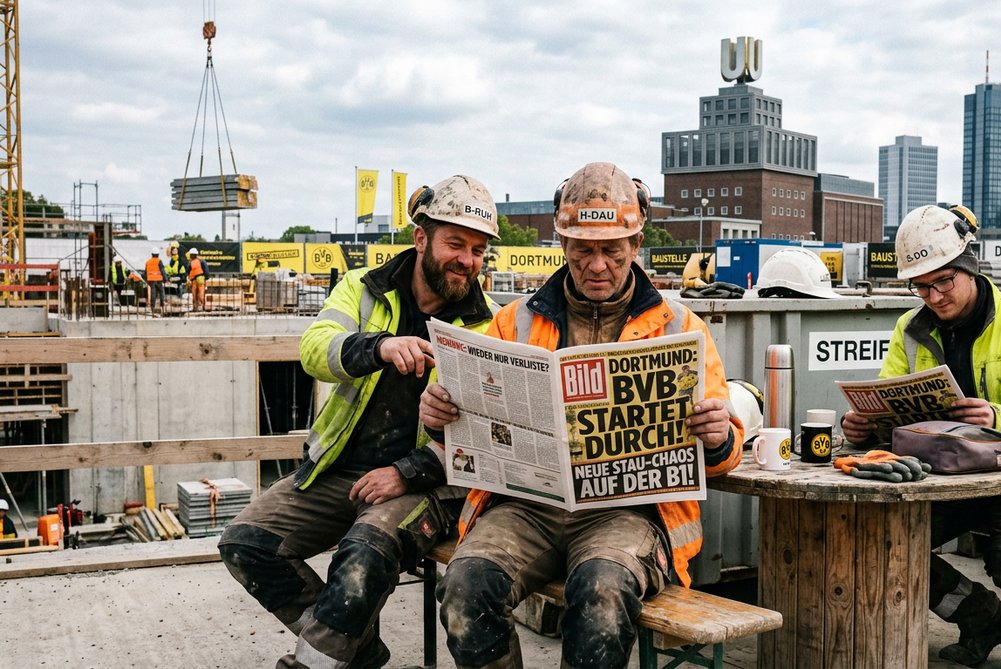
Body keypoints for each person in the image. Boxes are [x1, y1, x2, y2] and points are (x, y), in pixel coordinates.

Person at [421, 162, 743, 669]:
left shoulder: (680, 328)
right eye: (583, 250)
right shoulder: (514, 321)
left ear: (636, 247)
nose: (597, 266)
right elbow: (465, 433)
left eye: (611, 251)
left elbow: (724, 459)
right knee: (466, 586)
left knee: (601, 592)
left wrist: (719, 435)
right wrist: (438, 418)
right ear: (563, 246)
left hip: (627, 516)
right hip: (527, 508)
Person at [218, 174, 502, 669]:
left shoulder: (488, 323)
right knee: (246, 543)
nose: (467, 260)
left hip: (430, 484)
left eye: (479, 250)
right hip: (342, 470)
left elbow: (488, 439)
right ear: (421, 239)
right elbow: (314, 349)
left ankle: (314, 663)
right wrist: (378, 346)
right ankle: (359, 651)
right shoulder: (362, 290)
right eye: (456, 243)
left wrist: (406, 472)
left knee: (363, 551)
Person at [841, 204, 1001, 669]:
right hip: (947, 475)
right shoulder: (910, 330)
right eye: (920, 286)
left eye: (943, 281)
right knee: (885, 542)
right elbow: (891, 408)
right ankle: (982, 618)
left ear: (970, 268)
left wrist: (996, 417)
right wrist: (864, 425)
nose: (932, 296)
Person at [145, 248, 166, 314]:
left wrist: (146, 280)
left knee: (153, 294)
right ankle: (162, 307)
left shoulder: (148, 262)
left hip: (151, 280)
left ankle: (152, 308)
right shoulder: (159, 261)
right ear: (158, 254)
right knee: (161, 293)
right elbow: (162, 271)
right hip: (159, 280)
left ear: (152, 254)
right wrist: (165, 279)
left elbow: (145, 272)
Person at [186, 248, 208, 312]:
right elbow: (206, 271)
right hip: (196, 280)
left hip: (197, 280)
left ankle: (198, 308)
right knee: (197, 295)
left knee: (198, 295)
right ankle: (198, 308)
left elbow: (187, 272)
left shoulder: (198, 261)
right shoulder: (200, 261)